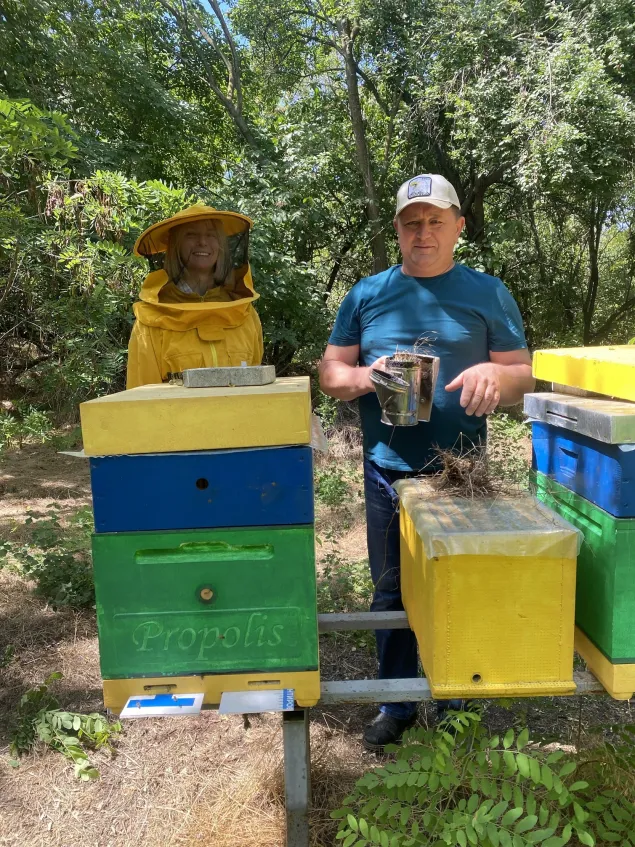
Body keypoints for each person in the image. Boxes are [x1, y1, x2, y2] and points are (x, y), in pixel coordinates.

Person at [318, 174, 535, 751]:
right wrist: (368, 376)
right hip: (387, 467)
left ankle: (456, 701)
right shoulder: (366, 294)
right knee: (391, 589)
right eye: (412, 221)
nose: (423, 232)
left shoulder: (488, 293)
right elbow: (331, 372)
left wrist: (498, 375)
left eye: (436, 220)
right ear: (397, 229)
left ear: (459, 227)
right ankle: (397, 702)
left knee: (458, 584)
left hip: (462, 472)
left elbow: (524, 374)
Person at [127, 205, 263, 388]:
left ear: (221, 244)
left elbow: (256, 391)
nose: (202, 242)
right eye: (191, 234)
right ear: (175, 244)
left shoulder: (244, 313)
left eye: (211, 235)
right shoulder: (151, 320)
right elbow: (141, 397)